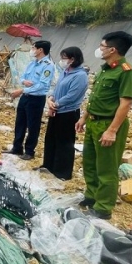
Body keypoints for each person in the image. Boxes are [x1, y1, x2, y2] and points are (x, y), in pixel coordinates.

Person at [75, 31, 132, 220]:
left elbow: (125, 103)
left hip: (108, 124)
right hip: (93, 122)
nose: (99, 49)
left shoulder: (125, 72)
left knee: (107, 168)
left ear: (112, 49)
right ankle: (92, 196)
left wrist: (112, 130)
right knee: (90, 163)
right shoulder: (105, 69)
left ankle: (103, 207)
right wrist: (84, 117)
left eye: (101, 46)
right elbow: (95, 98)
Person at [39, 47, 88, 180]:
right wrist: (50, 99)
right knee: (51, 138)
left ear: (73, 59)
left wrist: (56, 104)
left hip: (68, 112)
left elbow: (72, 95)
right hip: (56, 110)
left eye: (64, 58)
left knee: (65, 142)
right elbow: (56, 88)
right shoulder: (65, 71)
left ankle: (62, 172)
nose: (62, 61)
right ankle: (48, 165)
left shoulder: (80, 76)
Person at [3, 40, 55, 160]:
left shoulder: (48, 66)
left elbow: (42, 85)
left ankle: (30, 151)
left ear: (40, 50)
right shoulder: (33, 63)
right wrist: (24, 82)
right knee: (20, 123)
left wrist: (22, 90)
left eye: (33, 47)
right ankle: (17, 148)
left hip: (36, 99)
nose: (32, 50)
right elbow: (23, 77)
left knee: (33, 126)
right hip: (25, 97)